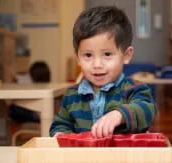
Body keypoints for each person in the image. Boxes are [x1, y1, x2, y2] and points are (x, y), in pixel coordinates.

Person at [49, 6, 157, 138]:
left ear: (126, 55)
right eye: (88, 55)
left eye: (107, 54)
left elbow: (148, 110)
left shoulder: (134, 89)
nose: (97, 65)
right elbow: (60, 124)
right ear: (78, 57)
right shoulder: (71, 95)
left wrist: (119, 114)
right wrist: (60, 134)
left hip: (124, 157)